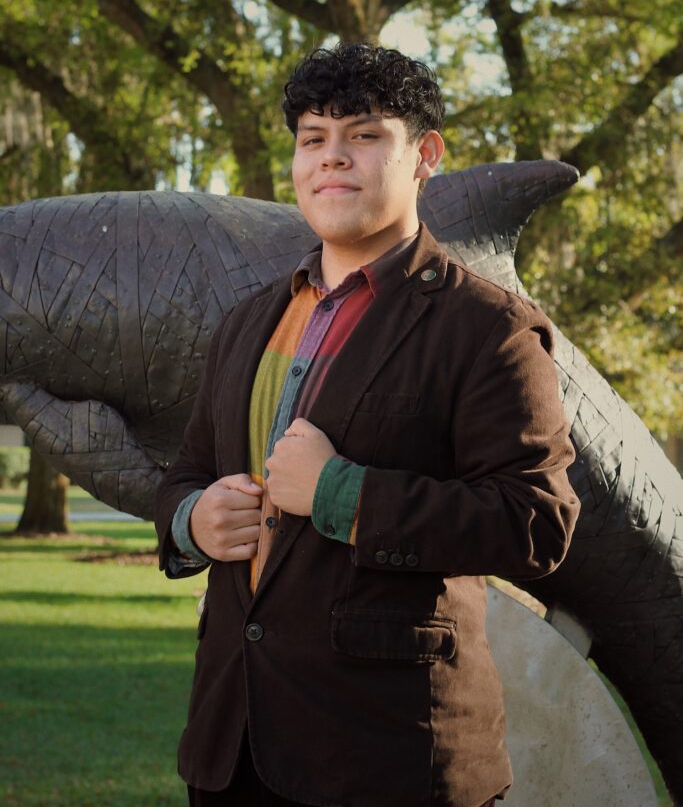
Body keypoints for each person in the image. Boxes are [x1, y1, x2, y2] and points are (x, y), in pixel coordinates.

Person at [154, 42, 580, 807]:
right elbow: (186, 472)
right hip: (232, 745)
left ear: (424, 155)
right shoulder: (249, 320)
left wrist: (340, 493)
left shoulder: (488, 328)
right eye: (312, 138)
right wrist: (192, 518)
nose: (332, 158)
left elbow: (536, 523)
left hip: (389, 757)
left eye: (363, 135)